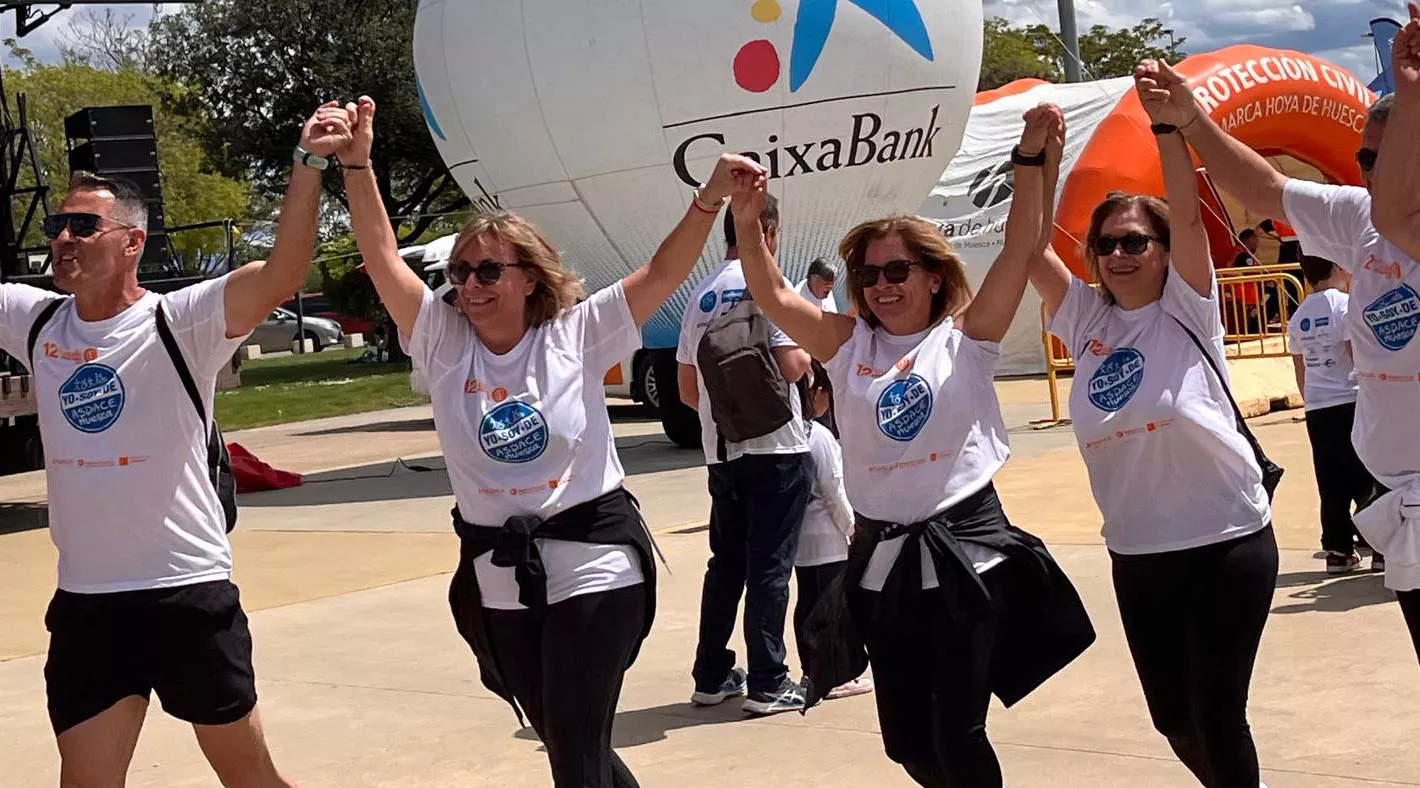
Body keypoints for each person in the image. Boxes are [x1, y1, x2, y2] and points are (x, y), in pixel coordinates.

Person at [338, 95, 767, 786]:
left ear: (529, 276)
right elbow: (382, 255)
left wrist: (708, 197)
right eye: (459, 273)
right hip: (497, 568)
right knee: (574, 745)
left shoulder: (576, 333)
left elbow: (662, 272)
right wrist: (357, 166)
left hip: (594, 558)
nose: (470, 286)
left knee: (572, 747)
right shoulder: (441, 341)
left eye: (488, 271)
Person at [730, 103, 1095, 788]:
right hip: (882, 570)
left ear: (933, 275)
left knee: (957, 733)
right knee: (907, 744)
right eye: (869, 275)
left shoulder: (968, 337)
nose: (882, 286)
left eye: (897, 270)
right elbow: (772, 294)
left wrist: (1030, 161)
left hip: (967, 564)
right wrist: (748, 222)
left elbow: (1020, 248)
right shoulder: (847, 346)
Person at [0, 102, 347, 787]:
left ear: (132, 241)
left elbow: (281, 274)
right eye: (57, 226)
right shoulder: (34, 321)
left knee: (249, 778)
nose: (63, 239)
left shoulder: (181, 321)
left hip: (184, 594)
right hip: (87, 604)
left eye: (83, 226)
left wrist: (308, 164)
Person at [1030, 63, 1280, 788]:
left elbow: (1187, 209)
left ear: (1165, 251)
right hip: (1138, 550)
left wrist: (1168, 123)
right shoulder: (1085, 320)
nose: (1118, 255)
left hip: (1226, 538)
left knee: (1219, 714)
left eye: (1135, 242)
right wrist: (1037, 163)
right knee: (1173, 719)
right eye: (1106, 244)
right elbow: (1030, 250)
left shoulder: (1187, 306)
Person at [1147, 6, 1420, 661]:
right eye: (1363, 157)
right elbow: (1266, 188)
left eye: (1383, 158)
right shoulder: (1362, 219)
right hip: (1406, 502)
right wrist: (1191, 120)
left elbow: (1396, 210)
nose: (1367, 171)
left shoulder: (1396, 220)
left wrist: (1410, 90)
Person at [681, 195, 815, 716]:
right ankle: (768, 680)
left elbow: (687, 390)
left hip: (722, 452)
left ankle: (711, 674)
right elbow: (793, 365)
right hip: (778, 448)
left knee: (726, 567)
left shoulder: (701, 297)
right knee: (770, 567)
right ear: (770, 233)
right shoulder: (772, 287)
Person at [1288, 255, 1384, 574]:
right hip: (1351, 399)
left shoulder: (1299, 315)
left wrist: (1309, 401)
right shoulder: (1344, 305)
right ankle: (1381, 546)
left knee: (1330, 480)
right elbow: (1354, 353)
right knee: (1368, 473)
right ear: (1338, 266)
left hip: (1318, 406)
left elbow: (1299, 367)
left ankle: (1338, 550)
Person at [792, 360, 872, 700]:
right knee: (831, 608)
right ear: (818, 394)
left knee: (808, 603)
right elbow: (833, 490)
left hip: (799, 537)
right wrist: (851, 527)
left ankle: (812, 669)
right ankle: (833, 673)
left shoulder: (791, 434)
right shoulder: (819, 436)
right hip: (826, 535)